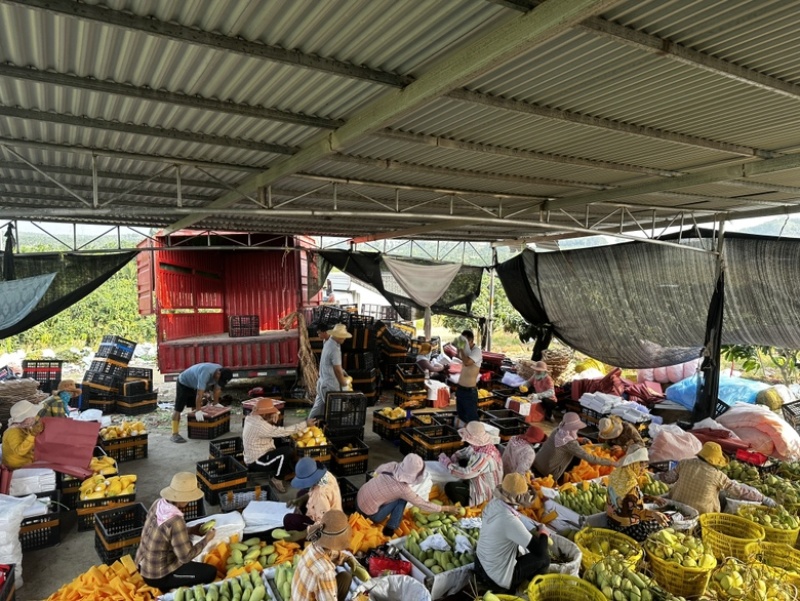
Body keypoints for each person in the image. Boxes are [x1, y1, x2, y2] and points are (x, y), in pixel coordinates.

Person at [136, 472, 217, 592]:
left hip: (141, 564)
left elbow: (164, 533)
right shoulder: (176, 521)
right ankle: (166, 587)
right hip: (156, 576)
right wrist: (207, 539)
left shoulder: (158, 503)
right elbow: (185, 557)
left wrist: (192, 530)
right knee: (210, 572)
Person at [475, 473, 551, 594]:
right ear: (519, 497)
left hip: (480, 565)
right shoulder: (509, 520)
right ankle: (529, 591)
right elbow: (540, 551)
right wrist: (544, 533)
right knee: (544, 559)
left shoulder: (493, 504)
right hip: (495, 578)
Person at [357, 453, 459, 537]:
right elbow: (422, 504)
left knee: (389, 495)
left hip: (358, 501)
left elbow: (377, 472)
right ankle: (391, 528)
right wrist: (446, 509)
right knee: (401, 500)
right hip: (370, 515)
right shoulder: (403, 489)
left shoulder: (391, 466)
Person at [660, 441, 777, 514]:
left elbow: (668, 478)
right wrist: (763, 499)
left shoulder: (684, 463)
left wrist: (656, 476)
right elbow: (739, 491)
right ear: (716, 461)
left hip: (676, 505)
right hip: (701, 513)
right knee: (723, 495)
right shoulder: (718, 475)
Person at [242, 397, 317, 493]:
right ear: (264, 414)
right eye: (270, 413)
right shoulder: (260, 426)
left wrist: (275, 413)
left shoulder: (251, 417)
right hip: (256, 461)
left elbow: (263, 413)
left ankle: (285, 466)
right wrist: (305, 424)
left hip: (259, 450)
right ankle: (277, 478)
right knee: (287, 451)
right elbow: (283, 431)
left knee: (284, 442)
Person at [606, 445, 670, 542]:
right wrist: (653, 514)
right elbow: (633, 512)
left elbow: (628, 500)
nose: (642, 471)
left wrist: (651, 498)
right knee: (668, 520)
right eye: (641, 467)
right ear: (634, 465)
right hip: (628, 529)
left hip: (611, 523)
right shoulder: (631, 486)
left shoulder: (616, 475)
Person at [532, 412, 617, 482]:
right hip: (547, 472)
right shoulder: (570, 443)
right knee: (578, 459)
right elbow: (590, 458)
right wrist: (611, 462)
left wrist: (581, 439)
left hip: (537, 462)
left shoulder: (557, 430)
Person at [292, 509, 354, 601]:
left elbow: (330, 553)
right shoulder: (325, 572)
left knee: (345, 577)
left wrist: (347, 558)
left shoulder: (312, 547)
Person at [441, 421, 503, 506]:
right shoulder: (480, 446)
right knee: (462, 461)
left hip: (485, 493)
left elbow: (466, 474)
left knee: (450, 488)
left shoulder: (486, 456)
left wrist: (448, 465)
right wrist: (454, 457)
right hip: (476, 479)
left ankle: (466, 506)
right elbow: (465, 452)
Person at [171, 363, 233, 443]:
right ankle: (174, 434)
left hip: (193, 384)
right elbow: (199, 394)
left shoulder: (222, 373)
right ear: (218, 373)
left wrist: (216, 403)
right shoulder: (206, 372)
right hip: (183, 383)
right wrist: (198, 410)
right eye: (219, 380)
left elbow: (217, 389)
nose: (218, 382)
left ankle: (195, 429)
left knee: (194, 406)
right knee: (178, 409)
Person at [285, 457, 343, 531]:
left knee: (289, 520)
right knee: (301, 493)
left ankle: (304, 539)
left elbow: (324, 524)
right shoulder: (327, 475)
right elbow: (314, 492)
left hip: (330, 527)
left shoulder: (319, 495)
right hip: (334, 512)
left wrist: (301, 534)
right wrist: (300, 500)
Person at [310, 323, 352, 421]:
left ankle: (308, 425)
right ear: (337, 336)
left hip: (322, 383)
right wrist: (344, 386)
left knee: (317, 408)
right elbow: (337, 370)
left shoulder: (327, 342)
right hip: (330, 386)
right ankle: (334, 432)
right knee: (335, 411)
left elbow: (332, 364)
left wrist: (342, 370)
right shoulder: (335, 349)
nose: (344, 339)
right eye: (342, 337)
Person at [2, 400, 44, 469]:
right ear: (25, 419)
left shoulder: (24, 427)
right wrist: (33, 435)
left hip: (25, 461)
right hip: (16, 466)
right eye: (32, 416)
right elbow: (20, 451)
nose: (34, 417)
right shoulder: (13, 431)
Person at [454, 330, 482, 425]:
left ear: (471, 341)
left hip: (469, 392)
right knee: (462, 418)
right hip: (461, 389)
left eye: (465, 342)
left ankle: (476, 438)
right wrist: (459, 347)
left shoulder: (476, 351)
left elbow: (467, 363)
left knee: (472, 419)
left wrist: (461, 348)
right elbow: (458, 355)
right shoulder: (467, 351)